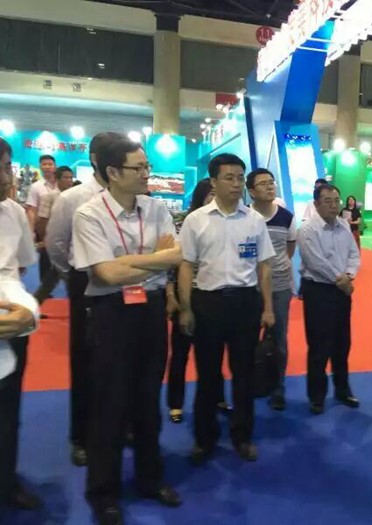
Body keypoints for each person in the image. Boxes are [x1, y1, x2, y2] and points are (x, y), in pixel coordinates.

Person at [72, 133, 183, 524]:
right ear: (113, 172)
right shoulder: (89, 214)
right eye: (139, 168)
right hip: (111, 313)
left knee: (148, 400)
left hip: (150, 311)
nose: (147, 174)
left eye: (147, 166)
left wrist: (133, 263)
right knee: (109, 404)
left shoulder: (156, 208)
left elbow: (177, 255)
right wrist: (155, 258)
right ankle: (103, 492)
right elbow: (105, 274)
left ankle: (150, 479)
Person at [178, 153, 275, 464]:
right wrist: (185, 308)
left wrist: (268, 307)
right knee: (208, 375)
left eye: (240, 178)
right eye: (229, 178)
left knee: (244, 374)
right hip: (208, 303)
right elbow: (185, 265)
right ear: (214, 181)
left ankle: (242, 436)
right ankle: (204, 439)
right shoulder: (196, 220)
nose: (236, 184)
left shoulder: (254, 220)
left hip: (246, 303)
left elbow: (264, 266)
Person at [45, 134, 114, 467]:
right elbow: (56, 244)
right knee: (85, 361)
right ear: (97, 159)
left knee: (121, 360)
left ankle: (120, 426)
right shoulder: (73, 198)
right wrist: (73, 275)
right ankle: (82, 437)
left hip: (124, 283)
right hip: (85, 282)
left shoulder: (134, 198)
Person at [0, 137, 43, 511]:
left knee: (7, 413)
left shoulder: (12, 213)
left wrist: (26, 312)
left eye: (7, 167)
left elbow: (17, 271)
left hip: (12, 328)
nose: (6, 178)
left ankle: (6, 482)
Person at [166, 178, 229, 424]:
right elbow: (171, 264)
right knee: (180, 353)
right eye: (210, 193)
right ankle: (175, 403)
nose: (215, 198)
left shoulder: (224, 221)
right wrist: (172, 296)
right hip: (185, 295)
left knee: (214, 352)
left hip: (212, 297)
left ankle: (218, 396)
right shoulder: (183, 221)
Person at [298, 184, 361, 414]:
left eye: (336, 200)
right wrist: (340, 280)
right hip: (318, 291)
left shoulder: (343, 225)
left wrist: (349, 275)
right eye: (328, 201)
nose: (334, 206)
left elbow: (354, 255)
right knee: (319, 345)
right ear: (316, 204)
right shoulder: (307, 230)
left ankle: (342, 390)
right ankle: (316, 396)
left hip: (342, 290)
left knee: (342, 344)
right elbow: (315, 262)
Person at [247, 168, 297, 410]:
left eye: (272, 182)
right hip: (248, 288)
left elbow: (290, 248)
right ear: (251, 191)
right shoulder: (244, 216)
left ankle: (278, 388)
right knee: (245, 339)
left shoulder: (286, 217)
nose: (270, 187)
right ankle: (249, 384)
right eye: (263, 184)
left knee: (279, 341)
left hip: (279, 287)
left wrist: (276, 267)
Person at [33, 166, 76, 305]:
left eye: (71, 177)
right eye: (65, 177)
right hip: (53, 242)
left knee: (55, 276)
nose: (69, 180)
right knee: (55, 275)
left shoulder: (75, 196)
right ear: (57, 179)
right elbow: (42, 220)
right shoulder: (50, 197)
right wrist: (45, 240)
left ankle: (36, 302)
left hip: (71, 243)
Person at [25, 154, 58, 286]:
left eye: (50, 164)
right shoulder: (36, 187)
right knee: (45, 257)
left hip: (62, 225)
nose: (47, 167)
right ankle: (45, 288)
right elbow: (31, 210)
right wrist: (31, 231)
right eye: (44, 164)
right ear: (40, 167)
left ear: (55, 166)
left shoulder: (61, 183)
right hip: (44, 228)